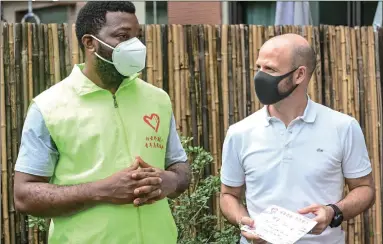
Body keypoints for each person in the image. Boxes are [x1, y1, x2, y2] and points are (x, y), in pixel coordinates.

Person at [13, 2, 190, 244]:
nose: (135, 46)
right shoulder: (49, 107)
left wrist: (171, 181)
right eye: (122, 36)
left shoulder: (157, 99)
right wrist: (101, 191)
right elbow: (25, 196)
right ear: (90, 43)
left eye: (136, 37)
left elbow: (180, 167)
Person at [219, 33, 375, 244]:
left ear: (300, 74)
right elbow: (228, 195)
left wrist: (333, 212)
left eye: (270, 69)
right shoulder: (239, 132)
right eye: (259, 67)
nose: (260, 76)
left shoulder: (343, 127)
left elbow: (364, 189)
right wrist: (243, 221)